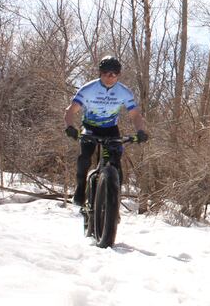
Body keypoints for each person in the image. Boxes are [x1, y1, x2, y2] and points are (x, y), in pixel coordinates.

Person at [63, 55, 148, 207]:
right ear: (100, 73)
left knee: (116, 167)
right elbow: (71, 110)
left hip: (111, 130)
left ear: (118, 75)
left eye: (113, 74)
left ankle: (113, 207)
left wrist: (140, 131)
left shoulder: (124, 92)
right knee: (85, 158)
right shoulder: (88, 89)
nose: (109, 77)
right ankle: (81, 188)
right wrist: (70, 126)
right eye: (105, 73)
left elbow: (135, 114)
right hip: (90, 127)